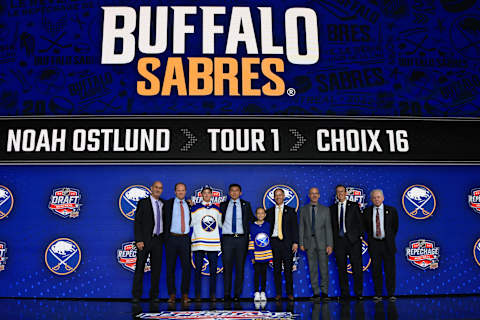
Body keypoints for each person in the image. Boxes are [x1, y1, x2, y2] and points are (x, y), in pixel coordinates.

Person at [132, 181, 165, 303]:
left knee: (156, 270)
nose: (158, 189)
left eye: (160, 188)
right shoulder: (143, 202)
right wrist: (139, 240)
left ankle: (154, 295)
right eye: (156, 187)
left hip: (158, 240)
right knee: (140, 267)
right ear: (151, 188)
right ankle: (136, 295)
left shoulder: (163, 203)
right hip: (144, 241)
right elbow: (137, 222)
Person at [220, 183, 254, 301]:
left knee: (240, 268)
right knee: (227, 267)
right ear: (229, 193)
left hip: (241, 239)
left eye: (237, 191)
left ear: (240, 193)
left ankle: (237, 295)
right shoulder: (222, 205)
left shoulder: (246, 205)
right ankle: (226, 294)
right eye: (232, 191)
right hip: (227, 239)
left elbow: (253, 220)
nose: (234, 193)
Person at [330, 184, 364, 300]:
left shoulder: (354, 206)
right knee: (341, 269)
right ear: (336, 194)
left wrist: (359, 237)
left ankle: (358, 293)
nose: (340, 194)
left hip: (353, 242)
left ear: (346, 193)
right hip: (339, 242)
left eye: (342, 192)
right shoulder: (332, 209)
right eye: (338, 192)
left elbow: (360, 223)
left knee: (357, 268)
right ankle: (345, 294)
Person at [364, 189, 399, 301]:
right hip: (374, 244)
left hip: (387, 244)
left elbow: (394, 227)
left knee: (390, 270)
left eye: (378, 197)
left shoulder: (392, 210)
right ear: (371, 199)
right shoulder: (367, 211)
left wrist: (388, 237)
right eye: (374, 197)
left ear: (383, 198)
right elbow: (366, 228)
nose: (376, 199)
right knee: (376, 270)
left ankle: (391, 294)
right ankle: (378, 293)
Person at [299, 187, 333, 301]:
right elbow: (302, 227)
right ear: (309, 195)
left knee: (324, 268)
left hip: (323, 243)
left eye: (316, 194)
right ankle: (316, 293)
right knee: (312, 269)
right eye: (312, 194)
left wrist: (330, 244)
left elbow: (328, 228)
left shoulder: (325, 209)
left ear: (319, 195)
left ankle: (324, 292)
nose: (314, 195)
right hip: (309, 243)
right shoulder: (303, 209)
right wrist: (301, 243)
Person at [265, 188, 299, 301]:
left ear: (284, 196)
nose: (278, 197)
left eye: (280, 195)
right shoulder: (269, 212)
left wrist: (295, 242)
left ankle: (290, 293)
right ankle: (278, 294)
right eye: (276, 195)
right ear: (274, 197)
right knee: (277, 270)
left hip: (287, 243)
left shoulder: (291, 211)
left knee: (288, 270)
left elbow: (295, 228)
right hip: (274, 242)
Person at [190, 185, 222, 302]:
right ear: (201, 195)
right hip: (199, 243)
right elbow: (191, 226)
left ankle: (212, 294)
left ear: (211, 194)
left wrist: (220, 239)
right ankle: (197, 295)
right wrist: (192, 239)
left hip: (213, 244)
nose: (207, 195)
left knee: (213, 270)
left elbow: (220, 226)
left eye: (209, 193)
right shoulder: (195, 208)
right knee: (198, 270)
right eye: (205, 193)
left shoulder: (217, 209)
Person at [164, 182, 191, 304]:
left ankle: (185, 294)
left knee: (186, 268)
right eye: (178, 190)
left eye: (183, 190)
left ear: (185, 191)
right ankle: (172, 294)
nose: (181, 192)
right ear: (175, 192)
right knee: (170, 268)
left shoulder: (190, 204)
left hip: (185, 239)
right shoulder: (168, 204)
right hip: (172, 239)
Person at [248, 207, 273, 302]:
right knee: (257, 273)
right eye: (258, 213)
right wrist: (252, 256)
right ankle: (256, 292)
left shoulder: (268, 225)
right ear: (256, 214)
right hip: (256, 254)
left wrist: (270, 254)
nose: (260, 215)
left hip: (266, 254)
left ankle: (263, 292)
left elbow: (270, 240)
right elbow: (251, 241)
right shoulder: (252, 226)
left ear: (265, 215)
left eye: (262, 213)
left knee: (264, 274)